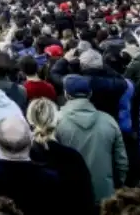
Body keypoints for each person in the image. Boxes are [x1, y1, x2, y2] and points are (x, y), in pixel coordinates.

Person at [56, 75, 128, 204]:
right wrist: (116, 186)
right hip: (104, 195)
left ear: (66, 94)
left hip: (70, 195)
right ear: (90, 94)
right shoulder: (109, 121)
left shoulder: (55, 122)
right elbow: (121, 161)